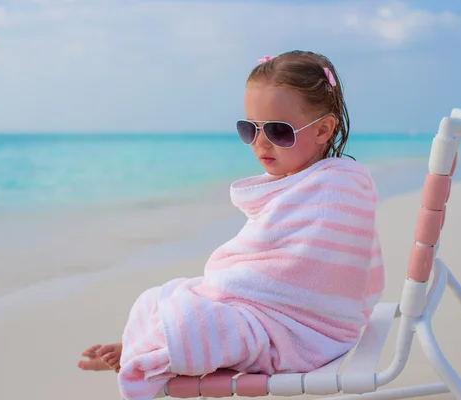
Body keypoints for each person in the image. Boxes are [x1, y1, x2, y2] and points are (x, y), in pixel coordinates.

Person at [78, 50, 385, 400]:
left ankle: (147, 353)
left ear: (323, 130)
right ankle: (143, 345)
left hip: (302, 332)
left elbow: (299, 272)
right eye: (248, 129)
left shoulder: (337, 190)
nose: (260, 142)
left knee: (196, 320)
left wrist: (226, 284)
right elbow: (267, 264)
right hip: (273, 311)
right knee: (165, 296)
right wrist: (225, 284)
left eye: (278, 131)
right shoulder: (309, 184)